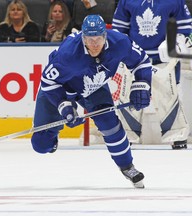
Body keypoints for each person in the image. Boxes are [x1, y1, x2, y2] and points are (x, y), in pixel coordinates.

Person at [31, 14, 152, 188]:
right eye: (90, 39)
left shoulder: (120, 42)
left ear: (105, 35)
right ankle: (53, 134)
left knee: (109, 123)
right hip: (61, 89)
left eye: (98, 39)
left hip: (92, 85)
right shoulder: (68, 53)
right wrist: (65, 107)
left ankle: (127, 166)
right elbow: (48, 81)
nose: (94, 44)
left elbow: (142, 61)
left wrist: (142, 84)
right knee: (41, 145)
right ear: (83, 37)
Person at [112, 0, 192, 149]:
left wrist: (175, 41)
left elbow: (185, 26)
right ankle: (128, 135)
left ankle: (177, 135)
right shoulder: (126, 1)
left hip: (164, 60)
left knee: (169, 98)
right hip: (134, 59)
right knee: (130, 96)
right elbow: (119, 29)